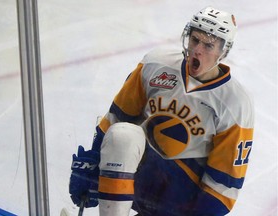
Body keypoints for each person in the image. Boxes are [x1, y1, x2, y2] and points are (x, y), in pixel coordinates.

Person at [69, 6, 254, 216]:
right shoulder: (156, 64)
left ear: (223, 51)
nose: (197, 50)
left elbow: (223, 186)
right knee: (123, 135)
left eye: (209, 45)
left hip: (182, 197)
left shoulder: (235, 103)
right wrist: (93, 164)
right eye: (195, 40)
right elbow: (116, 118)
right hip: (142, 173)